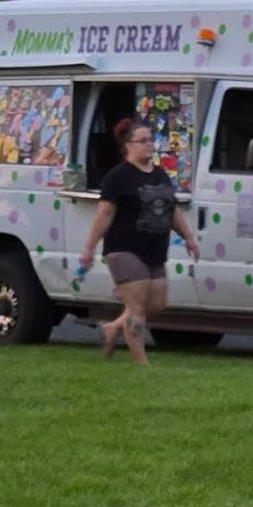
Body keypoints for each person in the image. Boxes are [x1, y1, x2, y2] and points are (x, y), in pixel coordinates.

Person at [78, 117, 201, 364]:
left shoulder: (160, 175)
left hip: (155, 250)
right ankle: (141, 364)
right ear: (128, 146)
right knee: (137, 309)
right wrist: (89, 248)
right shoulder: (118, 177)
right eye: (143, 141)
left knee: (156, 303)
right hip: (124, 250)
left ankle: (111, 328)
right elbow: (105, 214)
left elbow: (172, 211)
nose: (149, 145)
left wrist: (188, 237)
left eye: (150, 140)